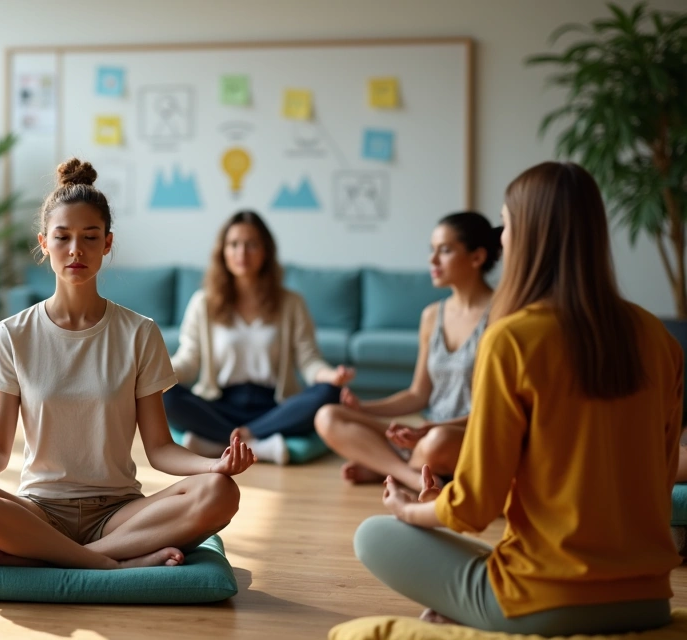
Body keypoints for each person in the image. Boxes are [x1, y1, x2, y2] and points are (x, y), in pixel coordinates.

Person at [354, 162, 682, 635]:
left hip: (548, 602)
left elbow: (472, 510)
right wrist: (448, 501)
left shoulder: (513, 338)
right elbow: (660, 475)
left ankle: (465, 606)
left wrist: (411, 510)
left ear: (528, 236)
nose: (502, 239)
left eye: (506, 225)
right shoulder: (658, 338)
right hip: (647, 599)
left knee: (374, 534)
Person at [0, 159, 255, 569]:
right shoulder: (13, 333)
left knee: (220, 492)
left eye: (90, 237)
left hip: (119, 514)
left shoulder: (139, 333)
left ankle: (62, 559)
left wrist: (215, 464)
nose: (76, 250)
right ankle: (115, 564)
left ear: (107, 243)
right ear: (44, 243)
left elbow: (161, 449)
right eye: (62, 237)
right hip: (40, 511)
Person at [315, 212, 498, 490]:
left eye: (445, 250)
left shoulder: (501, 315)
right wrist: (364, 407)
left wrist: (430, 431)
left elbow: (496, 409)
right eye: (432, 250)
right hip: (425, 432)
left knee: (436, 444)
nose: (432, 260)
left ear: (477, 257)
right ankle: (412, 476)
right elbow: (418, 394)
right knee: (328, 416)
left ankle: (389, 467)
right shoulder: (431, 316)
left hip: (463, 435)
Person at [163, 210, 353, 464]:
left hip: (273, 407)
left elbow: (309, 361)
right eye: (234, 245)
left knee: (329, 393)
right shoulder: (203, 303)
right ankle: (260, 445)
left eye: (251, 244)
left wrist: (331, 376)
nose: (242, 253)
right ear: (223, 252)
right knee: (164, 395)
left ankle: (227, 441)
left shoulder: (291, 303)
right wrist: (160, 374)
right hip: (220, 406)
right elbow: (188, 359)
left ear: (266, 251)